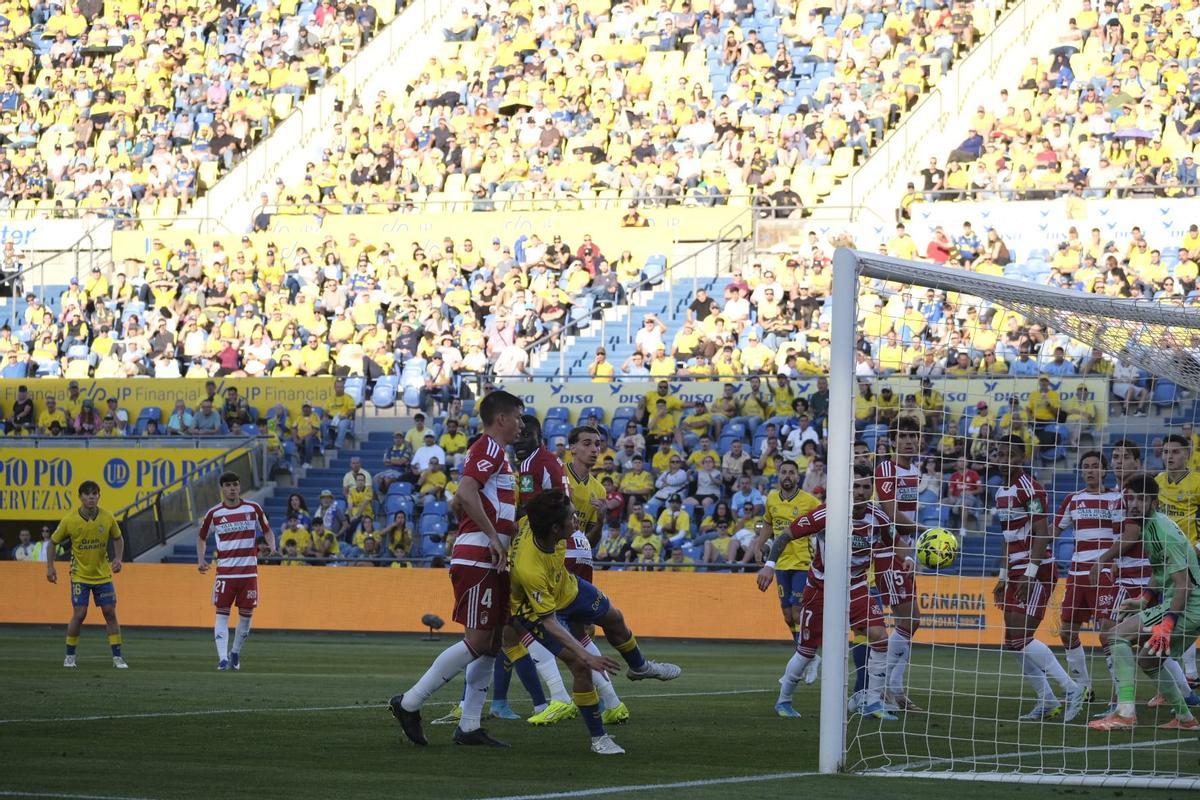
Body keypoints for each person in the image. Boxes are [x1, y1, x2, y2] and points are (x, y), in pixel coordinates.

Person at [391, 390, 525, 748]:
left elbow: (458, 501)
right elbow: (465, 493)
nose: (521, 424)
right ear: (501, 419)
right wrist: (493, 538)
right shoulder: (489, 448)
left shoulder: (495, 454)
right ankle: (409, 702)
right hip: (481, 556)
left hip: (489, 555)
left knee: (493, 642)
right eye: (518, 417)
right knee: (479, 639)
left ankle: (469, 726)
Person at [514, 489, 682, 753]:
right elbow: (549, 622)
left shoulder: (543, 527)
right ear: (556, 528)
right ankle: (599, 739)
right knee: (581, 666)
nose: (576, 521)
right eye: (571, 518)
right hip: (538, 612)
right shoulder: (529, 567)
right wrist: (586, 654)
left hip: (567, 586)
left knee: (613, 617)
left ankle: (639, 667)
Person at [756, 465, 894, 720]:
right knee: (807, 650)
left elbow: (887, 548)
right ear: (847, 488)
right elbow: (785, 535)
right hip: (821, 587)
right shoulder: (828, 513)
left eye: (866, 486)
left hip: (856, 586)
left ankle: (872, 702)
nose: (861, 491)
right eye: (856, 486)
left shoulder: (880, 518)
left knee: (880, 637)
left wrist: (892, 577)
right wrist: (768, 566)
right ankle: (783, 700)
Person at [1089, 474, 1200, 732]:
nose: (1135, 504)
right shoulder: (1148, 526)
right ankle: (1186, 719)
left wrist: (1168, 624)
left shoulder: (1163, 531)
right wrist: (1144, 600)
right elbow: (1160, 573)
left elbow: (1183, 584)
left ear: (1154, 502)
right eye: (1131, 498)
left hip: (1188, 606)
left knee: (1115, 636)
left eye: (1142, 499)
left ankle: (1126, 713)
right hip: (1188, 606)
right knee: (1148, 661)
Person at [992, 434, 1084, 721]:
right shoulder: (1000, 492)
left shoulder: (1030, 489)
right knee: (1012, 640)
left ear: (1022, 457)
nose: (1003, 459)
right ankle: (1047, 700)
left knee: (1020, 637)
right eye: (999, 453)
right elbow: (1007, 537)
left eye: (1010, 454)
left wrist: (1030, 573)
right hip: (1016, 571)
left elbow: (1043, 532)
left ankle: (1071, 688)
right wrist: (1003, 575)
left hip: (1037, 570)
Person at [1054, 451, 1123, 700]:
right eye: (1086, 467)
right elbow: (1053, 531)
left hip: (1106, 574)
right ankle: (1084, 687)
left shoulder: (1118, 499)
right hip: (1076, 574)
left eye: (1095, 466)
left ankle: (1119, 694)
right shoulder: (1073, 500)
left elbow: (1125, 536)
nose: (1090, 470)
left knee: (1107, 634)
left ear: (1104, 470)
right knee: (1066, 632)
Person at [197, 472, 276, 671]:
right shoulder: (214, 514)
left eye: (235, 484)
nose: (232, 488)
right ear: (222, 488)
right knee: (221, 614)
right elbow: (202, 538)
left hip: (249, 574)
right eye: (228, 485)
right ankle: (222, 659)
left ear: (239, 487)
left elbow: (267, 530)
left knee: (246, 617)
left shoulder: (253, 508)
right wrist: (201, 560)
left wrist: (272, 546)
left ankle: (235, 651)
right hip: (225, 573)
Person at [871, 419, 924, 711]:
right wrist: (923, 530)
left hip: (906, 550)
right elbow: (890, 513)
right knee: (910, 620)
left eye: (912, 435)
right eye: (902, 436)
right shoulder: (886, 469)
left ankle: (894, 690)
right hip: (888, 550)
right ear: (893, 441)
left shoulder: (915, 471)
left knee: (910, 621)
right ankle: (884, 690)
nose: (908, 441)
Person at [47, 481, 127, 668]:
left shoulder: (107, 517)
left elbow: (118, 538)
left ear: (99, 496)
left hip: (103, 575)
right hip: (79, 575)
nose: (91, 497)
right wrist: (50, 567)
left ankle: (117, 657)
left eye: (94, 494)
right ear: (80, 497)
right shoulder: (70, 519)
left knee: (110, 613)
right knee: (80, 613)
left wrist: (118, 558)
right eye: (87, 494)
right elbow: (52, 542)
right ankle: (70, 656)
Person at [751, 460, 819, 666]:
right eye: (784, 472)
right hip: (780, 564)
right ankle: (804, 653)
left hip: (802, 563)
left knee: (798, 612)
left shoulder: (809, 501)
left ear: (797, 477)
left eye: (791, 472)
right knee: (787, 615)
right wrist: (758, 545)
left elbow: (825, 520)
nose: (787, 476)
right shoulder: (772, 499)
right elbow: (769, 523)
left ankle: (805, 656)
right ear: (779, 476)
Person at [1156, 433, 1200, 685]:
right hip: (1167, 561)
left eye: (1175, 452)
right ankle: (1188, 675)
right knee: (1177, 615)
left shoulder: (1197, 482)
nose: (1169, 457)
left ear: (1187, 454)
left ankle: (1188, 674)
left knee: (1189, 614)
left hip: (1193, 558)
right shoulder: (1157, 481)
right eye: (1165, 452)